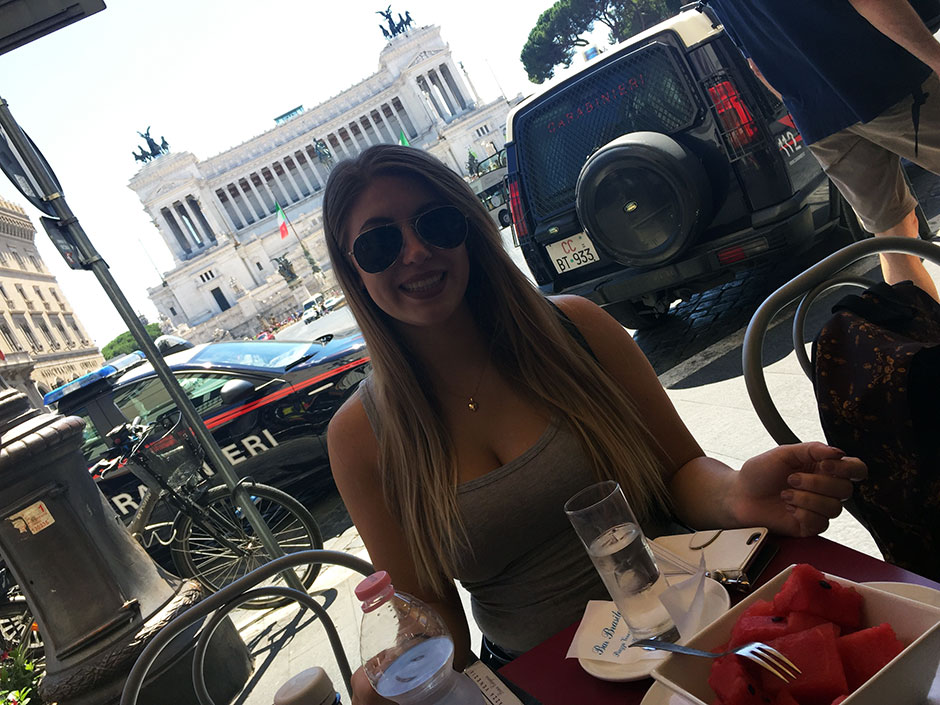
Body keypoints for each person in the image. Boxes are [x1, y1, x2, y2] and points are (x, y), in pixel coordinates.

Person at [322, 145, 866, 704]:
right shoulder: (359, 438)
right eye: (380, 242)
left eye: (435, 223)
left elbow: (679, 468)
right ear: (352, 268)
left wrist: (737, 496)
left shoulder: (575, 329)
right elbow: (434, 616)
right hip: (541, 681)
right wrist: (398, 666)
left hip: (692, 626)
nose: (414, 251)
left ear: (469, 230)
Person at [705, 0, 940, 301]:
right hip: (885, 78)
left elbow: (756, 65)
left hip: (819, 120)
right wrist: (934, 57)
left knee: (893, 239)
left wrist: (809, 108)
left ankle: (926, 339)